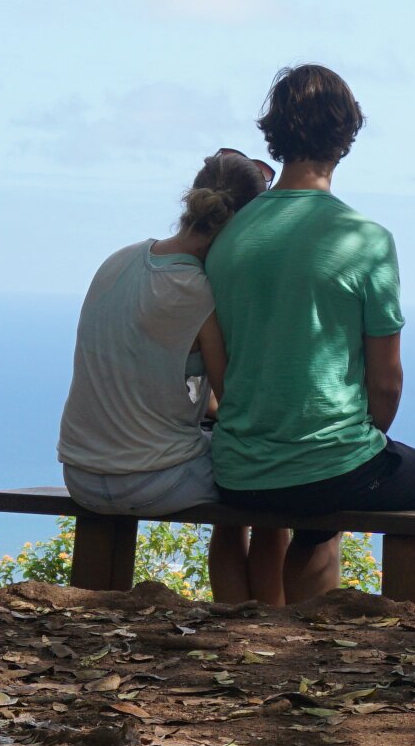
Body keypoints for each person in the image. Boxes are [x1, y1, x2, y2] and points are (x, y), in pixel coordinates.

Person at [202, 63, 415, 609]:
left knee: (315, 523)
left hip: (238, 468)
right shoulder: (365, 239)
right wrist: (354, 443)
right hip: (329, 464)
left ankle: (306, 641)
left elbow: (222, 364)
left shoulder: (230, 235)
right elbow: (387, 382)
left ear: (273, 133)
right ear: (347, 136)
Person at [57, 145, 272, 600]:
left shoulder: (118, 260)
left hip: (80, 472)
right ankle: (250, 619)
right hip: (149, 479)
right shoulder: (199, 290)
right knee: (272, 474)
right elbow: (231, 399)